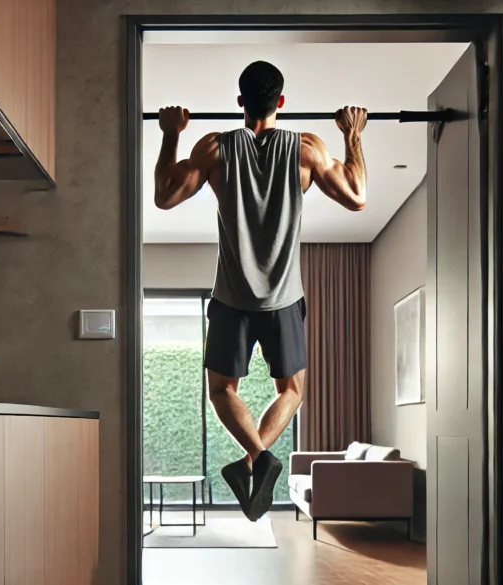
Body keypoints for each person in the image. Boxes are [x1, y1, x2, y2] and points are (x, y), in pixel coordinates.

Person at [153, 60, 368, 521]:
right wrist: (353, 135)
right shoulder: (307, 149)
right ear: (281, 103)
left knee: (220, 389)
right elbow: (357, 195)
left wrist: (171, 132)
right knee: (292, 390)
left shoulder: (213, 147)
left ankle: (256, 457)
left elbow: (165, 196)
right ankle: (259, 458)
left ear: (240, 103)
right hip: (284, 298)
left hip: (232, 297)